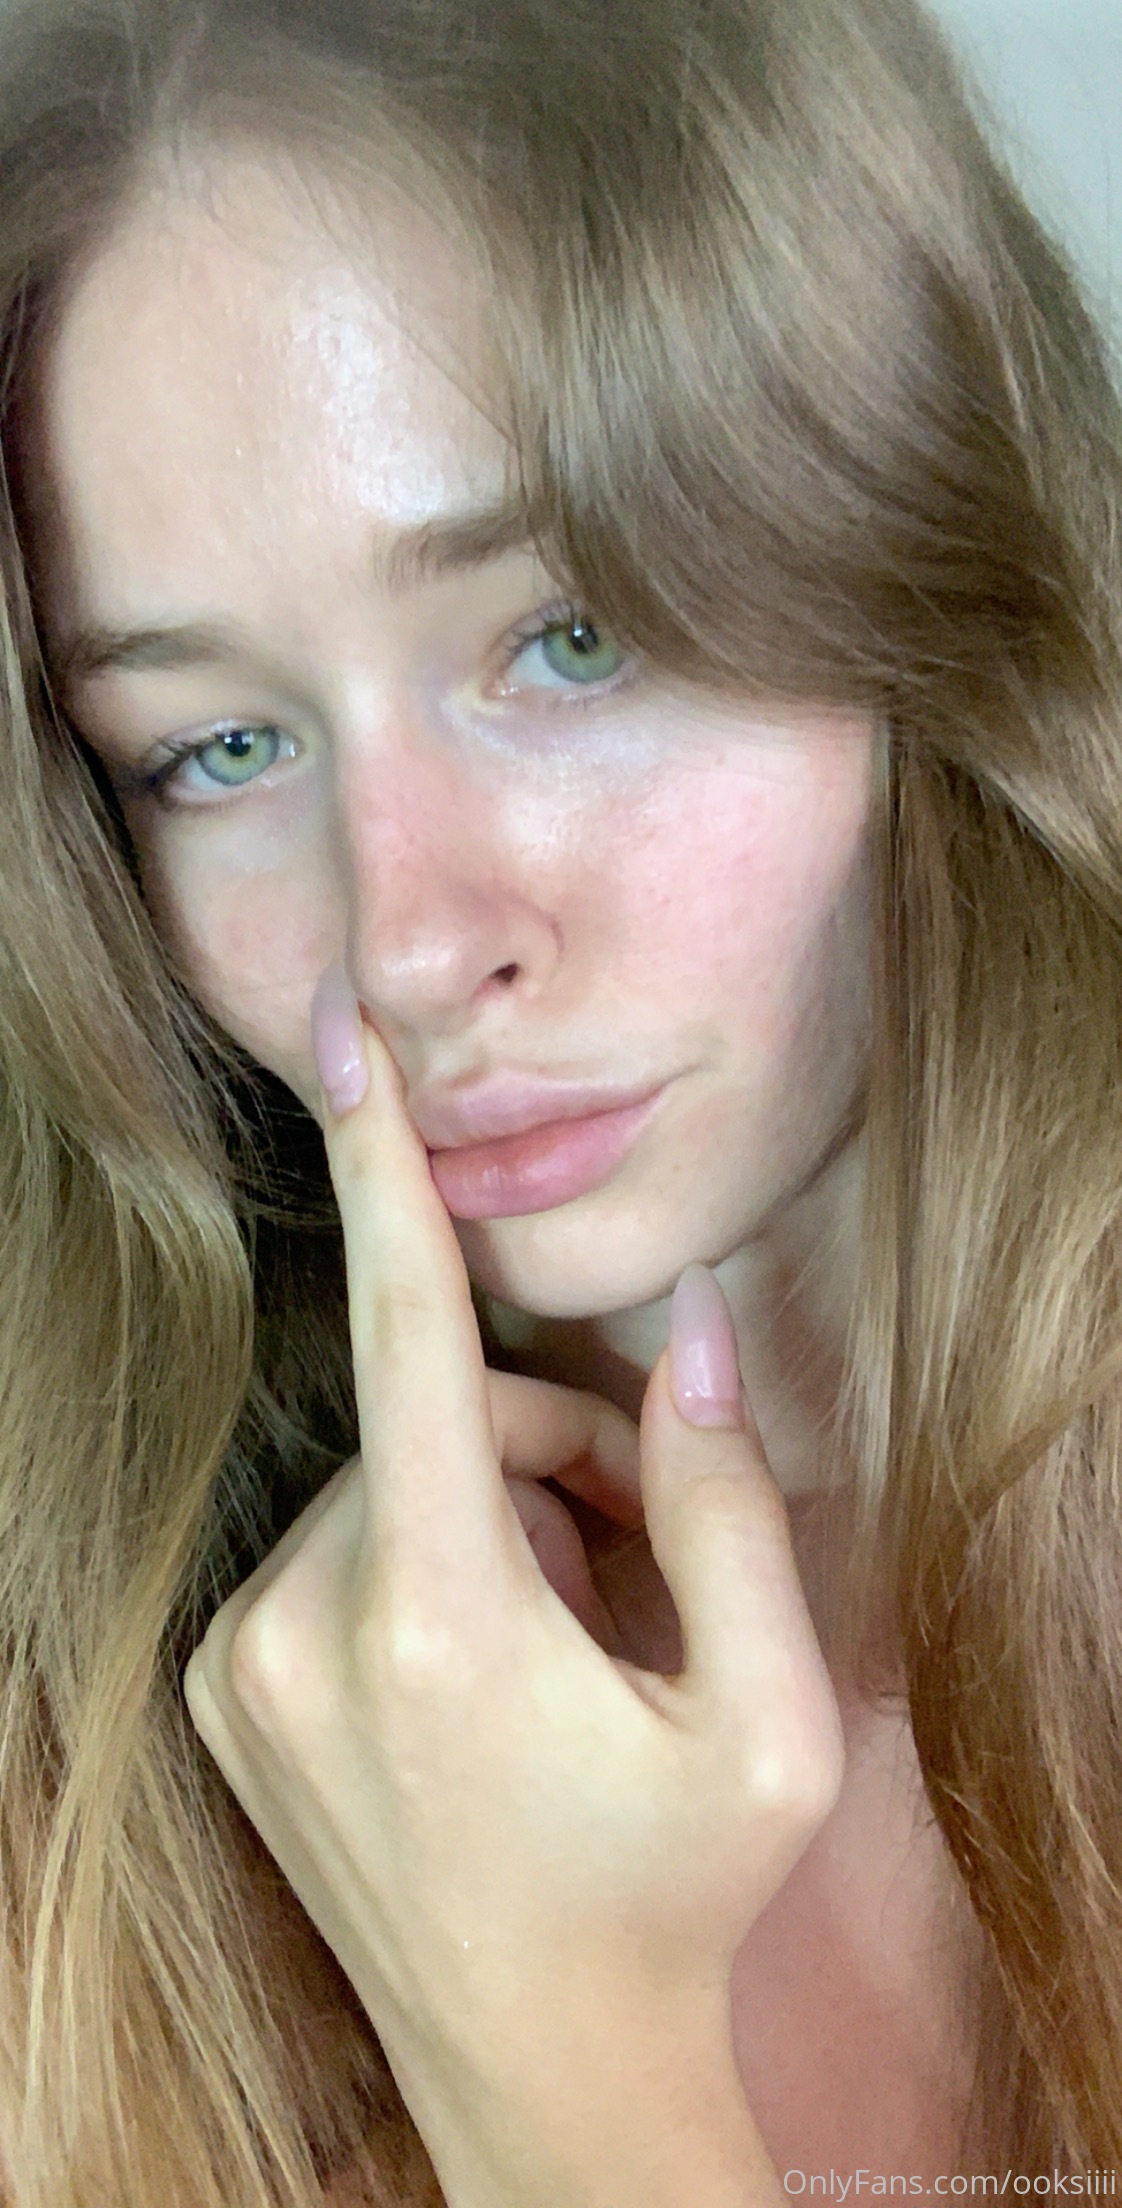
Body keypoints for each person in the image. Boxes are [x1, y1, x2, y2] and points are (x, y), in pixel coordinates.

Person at [0, 0, 1118, 2196]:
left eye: (572, 638)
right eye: (218, 749)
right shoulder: (77, 1814)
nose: (411, 944)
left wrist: (568, 2087)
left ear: (926, 544)